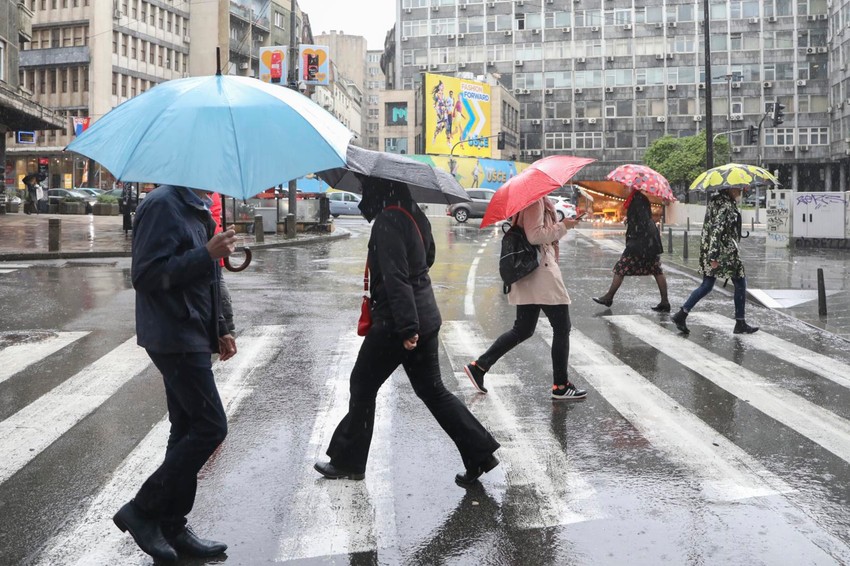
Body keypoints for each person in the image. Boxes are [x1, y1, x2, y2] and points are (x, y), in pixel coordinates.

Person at [315, 180, 501, 488]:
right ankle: (479, 453)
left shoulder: (388, 220)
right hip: (425, 314)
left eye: (367, 191)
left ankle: (348, 462)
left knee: (362, 385)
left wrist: (407, 327)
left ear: (380, 190)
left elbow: (395, 277)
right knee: (433, 391)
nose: (364, 198)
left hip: (396, 322)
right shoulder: (414, 213)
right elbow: (428, 258)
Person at [113, 184, 238, 562]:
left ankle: (172, 525)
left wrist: (223, 325)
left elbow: (211, 278)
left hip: (194, 328)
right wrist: (206, 253)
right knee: (210, 426)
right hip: (172, 332)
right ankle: (142, 509)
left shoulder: (198, 207)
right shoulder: (162, 205)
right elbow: (146, 275)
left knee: (186, 428)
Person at [463, 197, 587, 400]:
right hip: (541, 274)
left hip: (531, 275)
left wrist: (565, 224)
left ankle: (479, 367)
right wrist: (563, 226)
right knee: (562, 327)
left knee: (523, 329)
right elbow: (534, 235)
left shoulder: (536, 201)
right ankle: (560, 385)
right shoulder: (535, 202)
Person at [671, 186, 759, 334]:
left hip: (710, 248)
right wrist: (713, 256)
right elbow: (717, 229)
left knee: (707, 285)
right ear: (730, 190)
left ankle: (682, 314)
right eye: (738, 190)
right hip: (724, 252)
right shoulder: (726, 205)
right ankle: (740, 322)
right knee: (740, 283)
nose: (740, 193)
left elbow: (713, 228)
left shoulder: (715, 201)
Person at [592, 189, 669, 312]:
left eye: (627, 186)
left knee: (621, 268)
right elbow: (641, 218)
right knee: (656, 270)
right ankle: (665, 302)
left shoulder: (638, 199)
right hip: (647, 240)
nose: (625, 187)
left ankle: (608, 297)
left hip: (642, 241)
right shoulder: (636, 198)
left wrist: (633, 225)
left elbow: (643, 220)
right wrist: (630, 220)